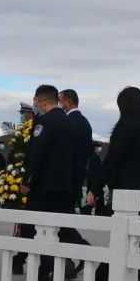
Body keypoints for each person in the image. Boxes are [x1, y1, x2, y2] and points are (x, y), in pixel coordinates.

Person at [90, 86, 140, 281]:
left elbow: (112, 161)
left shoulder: (124, 127)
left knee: (120, 239)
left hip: (126, 192)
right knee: (136, 241)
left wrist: (94, 188)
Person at [13, 85, 82, 281]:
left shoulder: (43, 121)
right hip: (64, 186)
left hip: (44, 186)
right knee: (62, 229)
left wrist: (27, 182)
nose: (35, 106)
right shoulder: (70, 123)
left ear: (42, 101)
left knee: (38, 228)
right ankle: (62, 266)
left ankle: (45, 271)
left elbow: (36, 154)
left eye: (36, 102)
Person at [58, 89, 92, 253]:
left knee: (62, 220)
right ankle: (69, 263)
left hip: (66, 179)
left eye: (60, 101)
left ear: (68, 101)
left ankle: (84, 251)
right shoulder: (85, 122)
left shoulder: (68, 121)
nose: (59, 104)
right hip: (77, 177)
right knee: (64, 219)